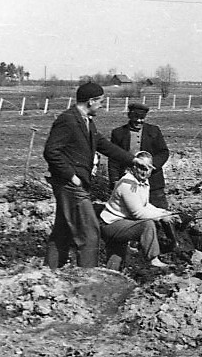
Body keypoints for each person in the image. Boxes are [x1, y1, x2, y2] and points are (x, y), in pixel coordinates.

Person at [43, 82, 140, 270]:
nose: (102, 105)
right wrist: (72, 176)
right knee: (90, 232)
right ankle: (89, 281)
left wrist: (133, 161)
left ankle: (50, 273)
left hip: (72, 185)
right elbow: (51, 151)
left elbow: (104, 145)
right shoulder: (68, 120)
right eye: (101, 101)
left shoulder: (86, 121)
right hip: (71, 185)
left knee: (63, 230)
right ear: (91, 101)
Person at [99, 151, 181, 270]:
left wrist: (166, 213)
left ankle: (109, 276)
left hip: (123, 223)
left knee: (115, 260)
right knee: (147, 225)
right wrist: (161, 217)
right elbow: (138, 213)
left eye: (148, 169)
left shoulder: (143, 182)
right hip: (112, 224)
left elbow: (145, 205)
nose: (144, 172)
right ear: (134, 167)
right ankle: (153, 259)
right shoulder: (127, 184)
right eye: (141, 168)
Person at [108, 102, 170, 209]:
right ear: (129, 116)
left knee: (159, 211)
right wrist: (114, 180)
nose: (138, 121)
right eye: (135, 117)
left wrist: (151, 166)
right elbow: (114, 158)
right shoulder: (118, 133)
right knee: (131, 211)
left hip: (153, 181)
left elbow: (164, 152)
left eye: (142, 118)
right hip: (128, 181)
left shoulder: (154, 131)